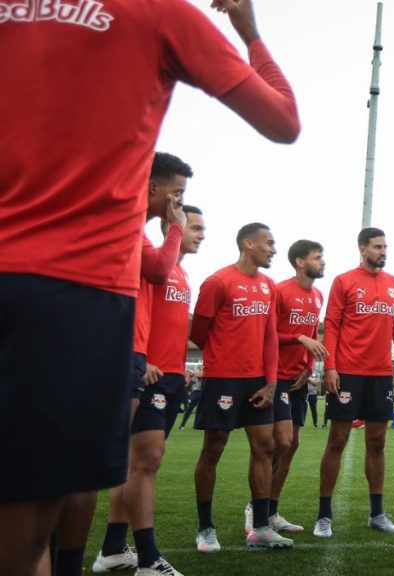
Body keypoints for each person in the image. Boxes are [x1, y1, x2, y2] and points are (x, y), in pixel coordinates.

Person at [0, 1, 299, 571]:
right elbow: (282, 119)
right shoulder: (160, 14)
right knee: (31, 514)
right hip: (72, 288)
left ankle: (114, 552)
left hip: (51, 287)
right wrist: (248, 30)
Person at [91, 153, 190, 576]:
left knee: (123, 461)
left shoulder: (144, 235)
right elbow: (155, 270)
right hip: (121, 353)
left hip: (136, 358)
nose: (179, 205)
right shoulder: (127, 223)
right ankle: (143, 558)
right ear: (153, 188)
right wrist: (177, 231)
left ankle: (113, 550)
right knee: (99, 460)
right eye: (177, 194)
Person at [190, 223, 293, 551]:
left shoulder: (269, 287)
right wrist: (223, 359)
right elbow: (199, 333)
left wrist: (272, 380)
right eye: (269, 243)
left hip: (258, 380)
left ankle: (260, 527)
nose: (274, 249)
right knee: (213, 448)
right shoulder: (218, 282)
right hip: (222, 378)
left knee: (265, 447)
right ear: (249, 244)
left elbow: (269, 336)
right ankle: (205, 527)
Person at [315, 227, 394, 538]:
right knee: (338, 441)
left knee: (377, 442)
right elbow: (331, 324)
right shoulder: (344, 281)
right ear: (362, 249)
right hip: (348, 373)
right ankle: (324, 515)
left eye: (385, 246)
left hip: (380, 375)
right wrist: (330, 367)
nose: (383, 251)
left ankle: (376, 513)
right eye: (377, 246)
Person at [243, 240, 327, 535]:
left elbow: (313, 331)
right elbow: (268, 333)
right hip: (275, 377)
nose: (323, 261)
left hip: (298, 379)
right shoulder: (279, 290)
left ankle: (272, 510)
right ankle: (256, 508)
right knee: (278, 442)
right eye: (318, 257)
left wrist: (307, 366)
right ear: (300, 262)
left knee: (291, 445)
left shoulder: (317, 295)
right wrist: (299, 339)